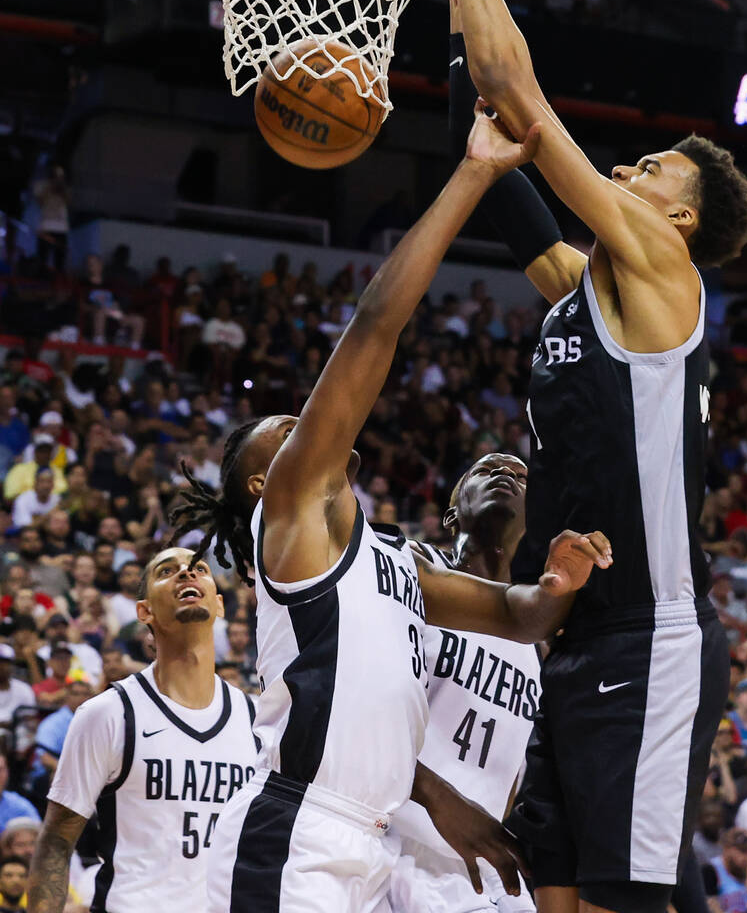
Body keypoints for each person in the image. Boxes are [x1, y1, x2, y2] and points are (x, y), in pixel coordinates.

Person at [402, 0, 747, 913]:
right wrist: (451, 24)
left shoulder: (660, 275)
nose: (627, 173)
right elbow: (487, 118)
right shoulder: (578, 288)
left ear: (677, 222)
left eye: (651, 174)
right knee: (549, 902)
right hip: (567, 634)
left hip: (651, 638)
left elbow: (518, 96)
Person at [168, 116, 613, 913]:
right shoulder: (294, 524)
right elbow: (377, 324)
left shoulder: (398, 564)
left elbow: (518, 616)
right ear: (269, 485)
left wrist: (563, 578)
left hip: (369, 843)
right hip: (295, 827)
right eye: (290, 434)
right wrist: (473, 175)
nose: (307, 431)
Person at [26, 546, 258, 913]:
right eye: (168, 570)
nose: (186, 572)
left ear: (220, 604)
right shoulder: (107, 713)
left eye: (198, 568)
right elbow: (56, 840)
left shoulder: (256, 719)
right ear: (144, 611)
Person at [390, 451, 538, 913]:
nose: (504, 476)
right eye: (486, 469)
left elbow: (511, 768)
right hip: (394, 846)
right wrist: (438, 798)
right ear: (452, 514)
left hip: (480, 867)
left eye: (519, 475)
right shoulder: (410, 570)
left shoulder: (535, 636)